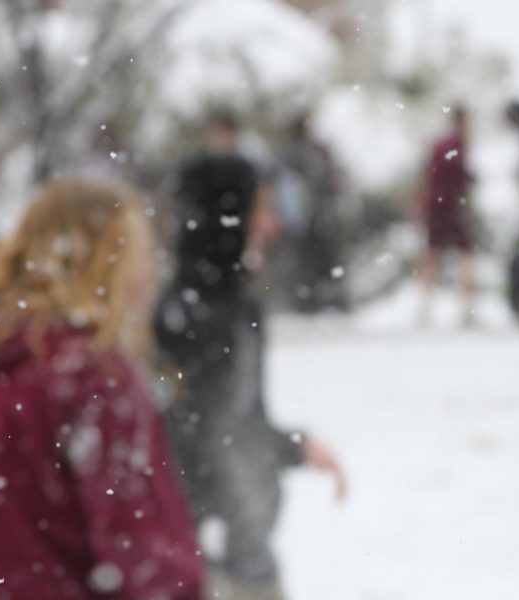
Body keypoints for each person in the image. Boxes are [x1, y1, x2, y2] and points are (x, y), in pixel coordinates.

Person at [0, 179, 204, 600]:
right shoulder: (90, 375)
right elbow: (146, 555)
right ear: (102, 263)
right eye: (138, 255)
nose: (149, 273)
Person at [154, 112, 346, 600]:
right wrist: (244, 558)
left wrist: (294, 447)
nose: (272, 224)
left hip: (215, 547)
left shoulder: (213, 307)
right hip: (216, 558)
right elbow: (209, 442)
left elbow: (234, 423)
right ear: (228, 216)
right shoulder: (203, 319)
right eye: (260, 208)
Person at [276, 114, 346, 313]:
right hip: (316, 216)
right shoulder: (317, 151)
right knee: (319, 259)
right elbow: (330, 182)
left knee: (302, 260)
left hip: (299, 218)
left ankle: (305, 299)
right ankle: (321, 299)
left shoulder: (286, 153)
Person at [414, 105, 476, 326]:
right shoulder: (456, 144)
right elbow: (460, 175)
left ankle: (423, 304)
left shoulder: (440, 144)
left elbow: (428, 173)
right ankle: (466, 307)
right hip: (451, 207)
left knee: (432, 253)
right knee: (466, 254)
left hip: (436, 206)